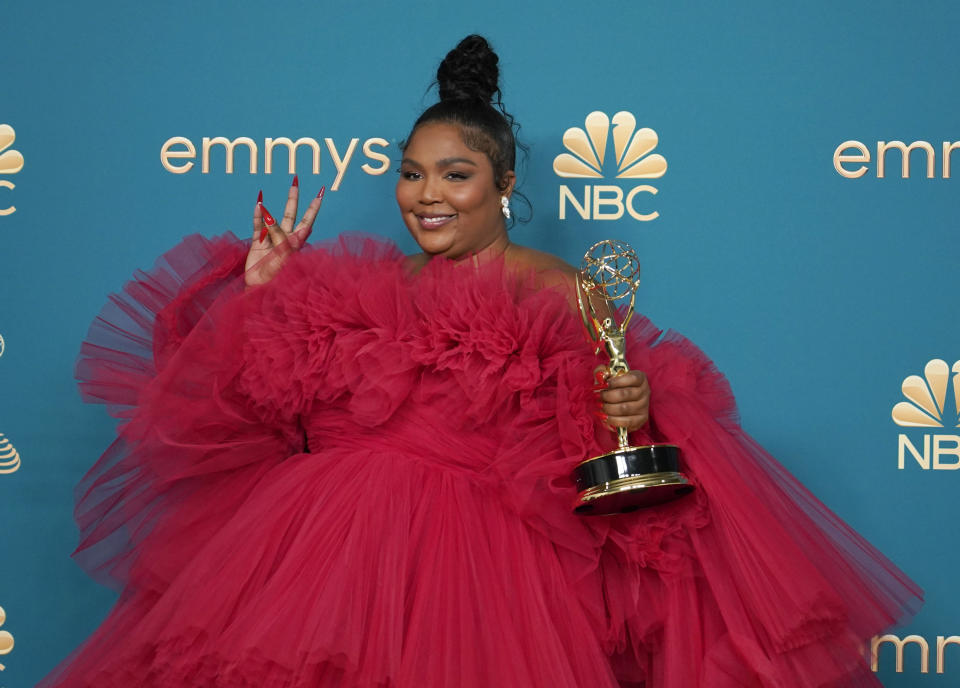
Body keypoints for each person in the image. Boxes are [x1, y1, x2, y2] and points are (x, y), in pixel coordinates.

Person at [41, 35, 920, 687]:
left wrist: (626, 407)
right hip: (321, 555)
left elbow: (599, 456)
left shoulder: (558, 288)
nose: (426, 196)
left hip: (478, 570)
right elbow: (249, 418)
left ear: (503, 186)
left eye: (454, 175)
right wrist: (263, 291)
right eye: (411, 173)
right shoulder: (366, 284)